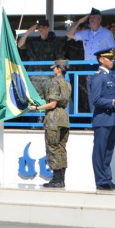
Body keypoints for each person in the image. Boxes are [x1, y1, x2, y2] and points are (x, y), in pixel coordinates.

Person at [28, 59, 72, 188]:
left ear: (59, 69)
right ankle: (61, 179)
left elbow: (52, 103)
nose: (53, 70)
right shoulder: (67, 84)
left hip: (54, 118)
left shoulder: (54, 83)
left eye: (55, 68)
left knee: (52, 148)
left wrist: (36, 108)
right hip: (64, 117)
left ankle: (57, 179)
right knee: (61, 149)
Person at [88, 48, 115, 191]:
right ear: (101, 60)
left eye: (113, 58)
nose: (112, 60)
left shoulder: (111, 76)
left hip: (112, 119)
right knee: (100, 151)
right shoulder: (98, 77)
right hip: (103, 119)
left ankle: (107, 179)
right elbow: (96, 100)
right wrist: (114, 102)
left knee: (108, 152)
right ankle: (101, 180)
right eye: (109, 58)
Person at [17, 19, 66, 99]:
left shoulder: (55, 43)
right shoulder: (33, 42)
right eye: (39, 27)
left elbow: (60, 58)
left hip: (49, 76)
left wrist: (60, 75)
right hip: (34, 76)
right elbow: (20, 45)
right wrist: (28, 31)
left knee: (49, 100)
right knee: (35, 101)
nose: (41, 29)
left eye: (44, 27)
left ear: (48, 28)